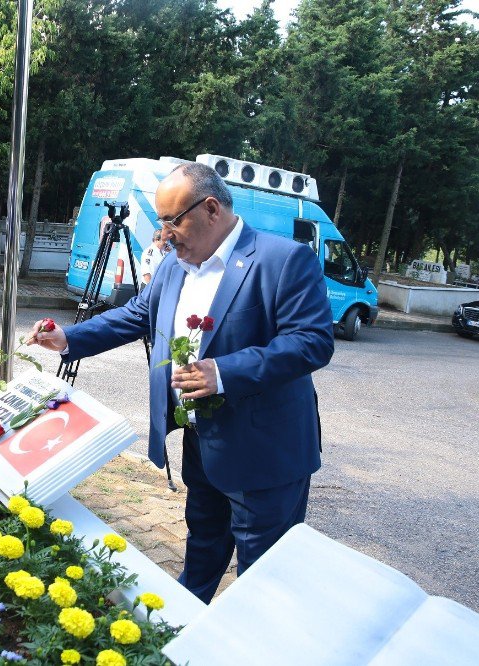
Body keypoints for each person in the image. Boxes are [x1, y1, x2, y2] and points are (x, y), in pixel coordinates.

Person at [28, 162, 333, 603]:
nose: (165, 233)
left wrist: (225, 372)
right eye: (161, 222)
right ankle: (186, 628)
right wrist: (69, 338)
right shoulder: (174, 265)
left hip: (265, 454)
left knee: (265, 578)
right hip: (201, 444)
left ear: (211, 208)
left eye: (173, 220)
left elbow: (312, 342)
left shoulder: (283, 260)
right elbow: (136, 315)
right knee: (203, 550)